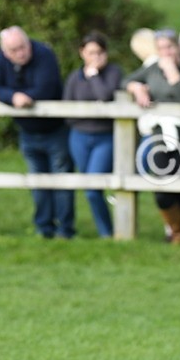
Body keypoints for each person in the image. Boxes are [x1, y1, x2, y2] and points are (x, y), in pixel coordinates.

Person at [0, 26, 72, 239]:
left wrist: (24, 97)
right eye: (14, 50)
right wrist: (13, 97)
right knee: (37, 182)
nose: (20, 53)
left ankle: (65, 229)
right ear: (6, 52)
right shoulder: (1, 59)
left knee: (61, 181)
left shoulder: (44, 54)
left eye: (23, 47)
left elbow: (46, 88)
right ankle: (43, 228)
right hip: (27, 131)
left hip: (55, 130)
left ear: (29, 42)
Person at [125, 30, 180, 243]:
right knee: (162, 190)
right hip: (162, 140)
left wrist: (171, 72)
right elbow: (127, 79)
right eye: (161, 49)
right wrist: (137, 88)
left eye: (169, 47)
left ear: (177, 47)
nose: (166, 53)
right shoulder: (152, 69)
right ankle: (176, 231)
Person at [64, 32, 124, 239]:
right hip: (79, 136)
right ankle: (106, 229)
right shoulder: (74, 77)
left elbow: (105, 96)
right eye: (91, 53)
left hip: (105, 137)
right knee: (91, 187)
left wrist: (94, 76)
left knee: (92, 187)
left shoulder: (113, 73)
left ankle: (107, 232)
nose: (95, 57)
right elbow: (67, 107)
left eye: (99, 52)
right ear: (82, 53)